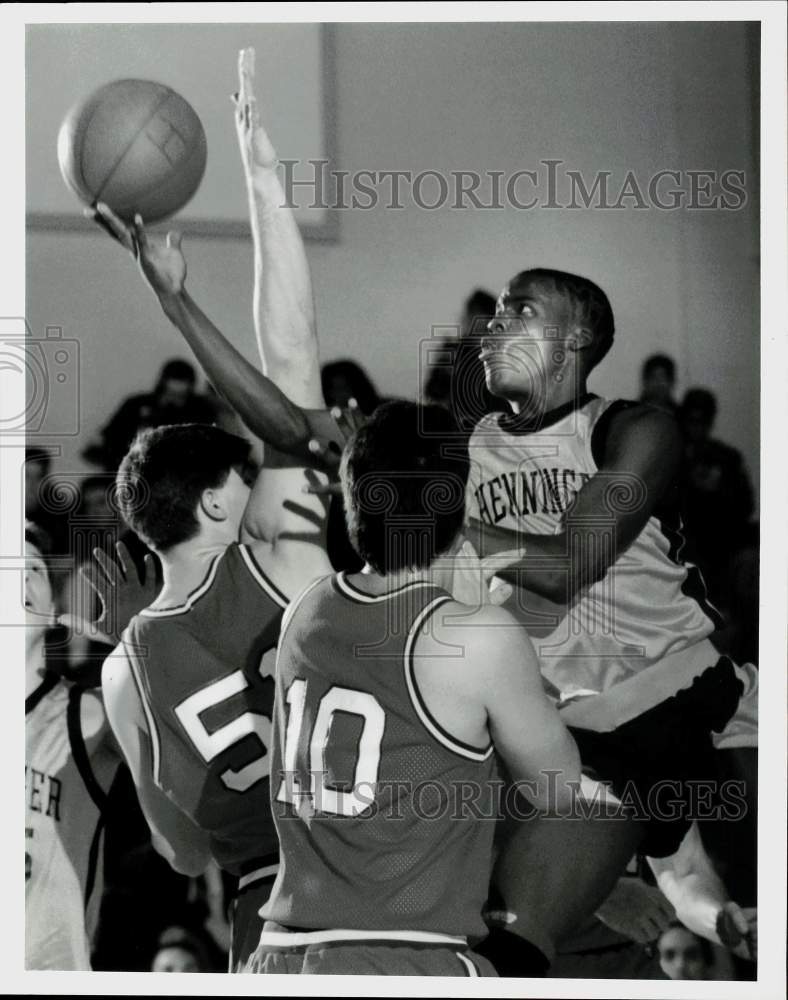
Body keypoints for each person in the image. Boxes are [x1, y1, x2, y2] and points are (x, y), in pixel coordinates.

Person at [94, 49, 355, 972]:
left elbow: (180, 852)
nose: (259, 482)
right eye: (242, 478)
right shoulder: (279, 559)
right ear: (213, 500)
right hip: (378, 880)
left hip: (264, 922)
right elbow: (293, 362)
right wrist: (261, 179)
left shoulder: (123, 672)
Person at [464, 267, 758, 966]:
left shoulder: (636, 427)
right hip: (589, 746)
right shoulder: (465, 449)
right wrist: (726, 921)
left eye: (520, 310)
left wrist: (444, 528)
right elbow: (683, 878)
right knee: (508, 952)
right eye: (495, 312)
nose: (494, 325)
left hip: (698, 699)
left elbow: (572, 564)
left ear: (578, 337)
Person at [245, 401, 582, 977]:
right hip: (400, 954)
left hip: (280, 954)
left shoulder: (304, 609)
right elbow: (557, 791)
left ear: (353, 506)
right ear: (459, 511)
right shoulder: (475, 636)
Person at [24, 522, 122, 970]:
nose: (21, 578)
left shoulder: (88, 713)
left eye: (34, 569)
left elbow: (186, 730)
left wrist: (141, 642)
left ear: (52, 610)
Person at [677, 387, 755, 605]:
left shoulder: (727, 458)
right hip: (687, 544)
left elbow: (745, 506)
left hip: (723, 542)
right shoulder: (672, 457)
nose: (696, 428)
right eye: (692, 420)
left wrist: (717, 490)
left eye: (702, 421)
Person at [81, 358, 217, 472]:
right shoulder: (137, 404)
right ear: (164, 380)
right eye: (175, 379)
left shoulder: (200, 410)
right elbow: (112, 433)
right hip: (130, 468)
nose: (177, 386)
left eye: (182, 381)